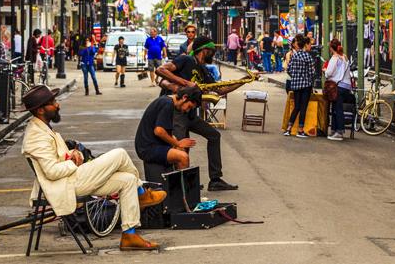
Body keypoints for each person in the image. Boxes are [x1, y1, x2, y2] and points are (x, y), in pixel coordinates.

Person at [20, 85, 166, 251]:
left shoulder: (43, 128)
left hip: (71, 178)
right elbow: (52, 172)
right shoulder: (35, 136)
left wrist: (74, 154)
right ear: (40, 110)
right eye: (53, 102)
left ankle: (129, 235)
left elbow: (59, 157)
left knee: (128, 180)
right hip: (66, 185)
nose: (57, 104)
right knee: (120, 154)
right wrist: (73, 162)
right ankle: (142, 194)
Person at [155, 36, 237, 191]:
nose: (213, 54)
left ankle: (215, 179)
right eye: (212, 51)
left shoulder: (203, 70)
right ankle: (182, 184)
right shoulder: (185, 60)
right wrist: (184, 83)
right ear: (205, 50)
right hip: (176, 111)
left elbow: (219, 89)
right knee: (180, 145)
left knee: (214, 135)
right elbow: (160, 70)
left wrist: (244, 81)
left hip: (191, 113)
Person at [135, 87, 202, 172]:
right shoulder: (167, 104)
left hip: (151, 144)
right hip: (147, 148)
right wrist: (178, 143)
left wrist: (175, 142)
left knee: (181, 150)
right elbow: (159, 131)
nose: (187, 110)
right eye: (189, 107)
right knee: (183, 157)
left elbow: (165, 130)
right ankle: (183, 184)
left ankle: (176, 181)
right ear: (184, 97)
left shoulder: (166, 100)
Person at [283, 34, 317, 138]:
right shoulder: (308, 56)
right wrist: (307, 77)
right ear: (304, 45)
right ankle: (300, 130)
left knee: (296, 106)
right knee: (303, 107)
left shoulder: (295, 55)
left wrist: (295, 76)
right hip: (306, 85)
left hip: (296, 85)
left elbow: (288, 69)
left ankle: (288, 129)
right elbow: (312, 72)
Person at [324, 38, 354, 141]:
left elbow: (328, 73)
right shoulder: (344, 57)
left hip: (338, 86)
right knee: (337, 108)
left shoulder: (334, 58)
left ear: (331, 48)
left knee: (337, 109)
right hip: (346, 86)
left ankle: (339, 132)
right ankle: (334, 130)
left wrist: (324, 70)